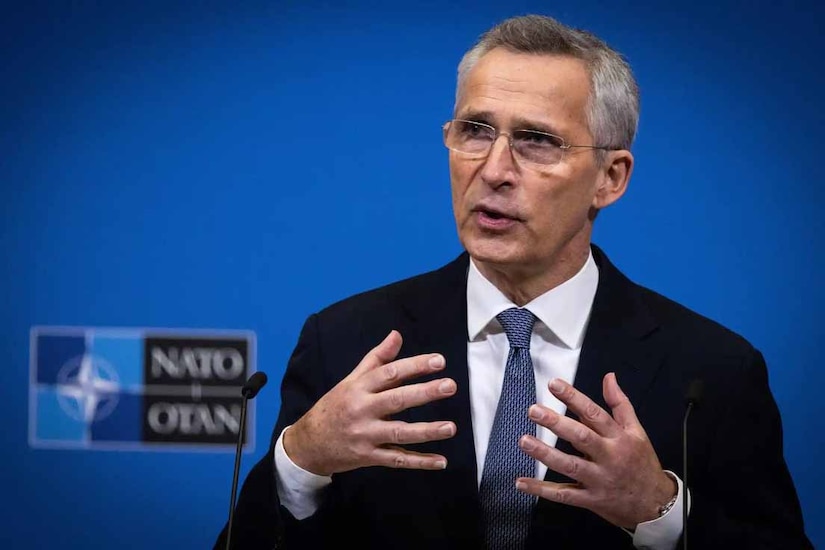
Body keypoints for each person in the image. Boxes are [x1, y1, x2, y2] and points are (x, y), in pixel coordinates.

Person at [215, 14, 812, 550]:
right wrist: (301, 459)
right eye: (476, 130)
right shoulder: (347, 341)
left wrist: (658, 513)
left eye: (537, 141)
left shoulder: (711, 371)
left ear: (610, 177)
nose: (495, 171)